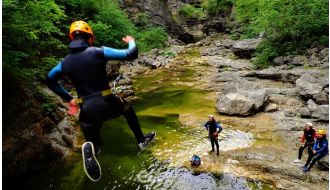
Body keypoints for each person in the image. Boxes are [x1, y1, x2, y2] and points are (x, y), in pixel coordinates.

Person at [45, 20, 156, 181]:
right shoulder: (98, 52)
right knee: (127, 109)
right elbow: (130, 54)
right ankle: (141, 140)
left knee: (94, 141)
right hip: (107, 102)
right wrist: (131, 41)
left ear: (71, 39)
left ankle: (93, 149)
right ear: (90, 38)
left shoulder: (64, 63)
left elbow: (49, 81)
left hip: (87, 110)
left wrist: (70, 99)